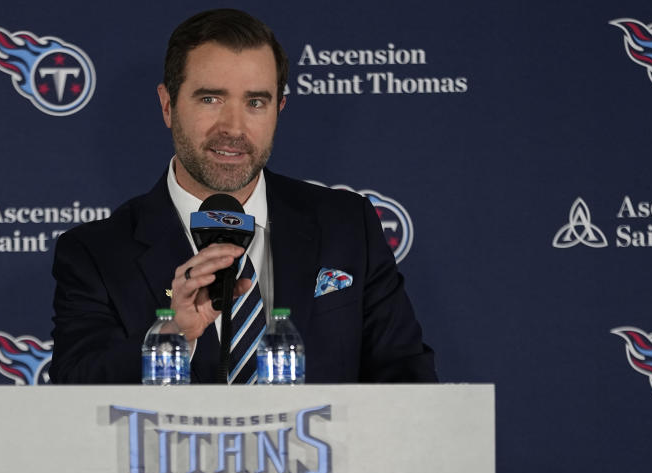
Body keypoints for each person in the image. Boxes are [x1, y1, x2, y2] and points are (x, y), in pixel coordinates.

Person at [50, 8, 436, 384]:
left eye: (255, 103)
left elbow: (407, 379)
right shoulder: (95, 254)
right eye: (210, 99)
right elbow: (75, 393)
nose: (233, 128)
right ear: (168, 105)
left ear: (278, 109)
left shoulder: (348, 226)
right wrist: (171, 335)